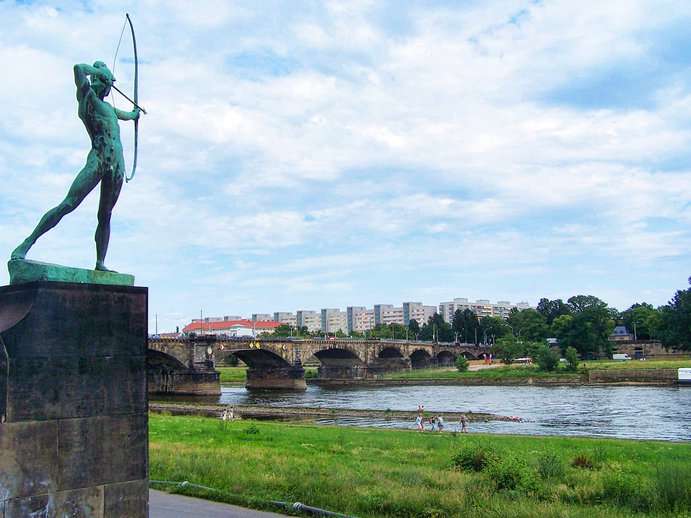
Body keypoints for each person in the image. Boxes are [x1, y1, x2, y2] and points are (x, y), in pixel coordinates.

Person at [11, 61, 140, 271]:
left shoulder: (109, 107)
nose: (105, 85)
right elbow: (78, 69)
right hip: (98, 158)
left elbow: (129, 115)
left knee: (105, 215)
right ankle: (27, 244)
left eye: (106, 82)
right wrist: (100, 72)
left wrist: (135, 114)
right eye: (101, 80)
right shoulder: (86, 97)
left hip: (116, 164)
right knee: (69, 203)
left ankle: (100, 263)